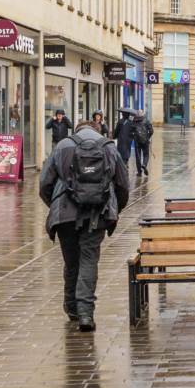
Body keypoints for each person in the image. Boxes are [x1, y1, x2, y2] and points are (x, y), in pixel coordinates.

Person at [38, 117, 129, 332]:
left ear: (77, 130)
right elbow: (123, 185)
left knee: (71, 262)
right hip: (97, 213)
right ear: (97, 130)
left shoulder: (63, 146)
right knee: (89, 260)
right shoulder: (108, 147)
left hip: (65, 215)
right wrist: (114, 208)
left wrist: (56, 204)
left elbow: (45, 183)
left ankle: (72, 308)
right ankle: (86, 314)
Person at [133, 113, 153, 179]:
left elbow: (131, 130)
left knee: (138, 156)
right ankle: (144, 164)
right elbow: (151, 131)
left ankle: (139, 172)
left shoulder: (134, 121)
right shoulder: (146, 121)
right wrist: (148, 137)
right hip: (145, 141)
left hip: (137, 141)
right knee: (146, 154)